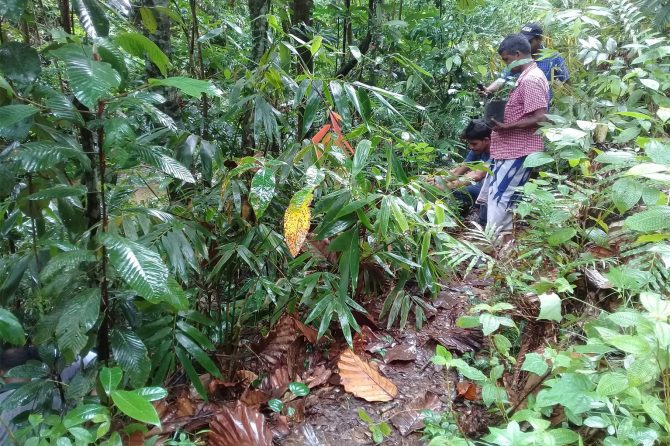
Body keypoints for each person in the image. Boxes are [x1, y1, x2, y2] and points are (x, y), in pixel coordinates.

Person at [477, 33, 549, 242]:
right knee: (499, 199)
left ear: (518, 55)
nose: (506, 65)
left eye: (507, 60)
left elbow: (541, 117)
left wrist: (508, 125)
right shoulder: (523, 77)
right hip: (509, 150)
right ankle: (502, 249)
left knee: (501, 199)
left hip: (519, 151)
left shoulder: (532, 79)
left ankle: (490, 248)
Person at [480, 23, 568, 100]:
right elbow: (503, 78)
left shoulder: (553, 57)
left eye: (529, 41)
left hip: (542, 110)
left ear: (539, 39)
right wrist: (488, 90)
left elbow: (566, 82)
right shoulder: (518, 56)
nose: (526, 44)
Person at [447, 120, 491, 226]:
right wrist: (436, 179)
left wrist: (444, 186)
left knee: (451, 190)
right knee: (454, 191)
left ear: (486, 140)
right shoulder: (476, 150)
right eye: (470, 144)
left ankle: (483, 223)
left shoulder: (497, 152)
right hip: (482, 189)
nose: (471, 147)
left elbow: (477, 175)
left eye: (474, 144)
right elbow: (458, 171)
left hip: (493, 193)